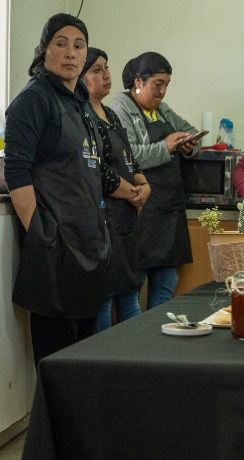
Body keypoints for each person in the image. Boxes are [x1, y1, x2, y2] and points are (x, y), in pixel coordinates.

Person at [4, 14, 119, 364]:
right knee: (58, 367)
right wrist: (43, 235)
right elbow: (16, 172)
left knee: (82, 365)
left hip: (88, 247)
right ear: (44, 51)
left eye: (79, 45)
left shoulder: (81, 103)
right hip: (56, 254)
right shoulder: (33, 100)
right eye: (61, 43)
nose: (71, 52)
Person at [111, 52, 201, 309]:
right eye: (157, 85)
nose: (162, 92)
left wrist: (189, 144)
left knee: (166, 280)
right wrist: (166, 146)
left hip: (168, 208)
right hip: (141, 208)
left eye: (166, 86)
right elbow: (129, 155)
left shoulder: (162, 111)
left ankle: (157, 340)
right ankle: (137, 343)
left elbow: (192, 131)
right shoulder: (121, 108)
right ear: (138, 81)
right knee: (134, 281)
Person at [81, 48, 151, 330]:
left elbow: (129, 159)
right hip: (102, 218)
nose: (106, 75)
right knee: (104, 298)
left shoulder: (111, 114)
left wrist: (143, 185)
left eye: (106, 67)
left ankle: (135, 365)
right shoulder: (81, 114)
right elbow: (95, 168)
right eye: (96, 70)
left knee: (129, 294)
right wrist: (130, 193)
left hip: (126, 219)